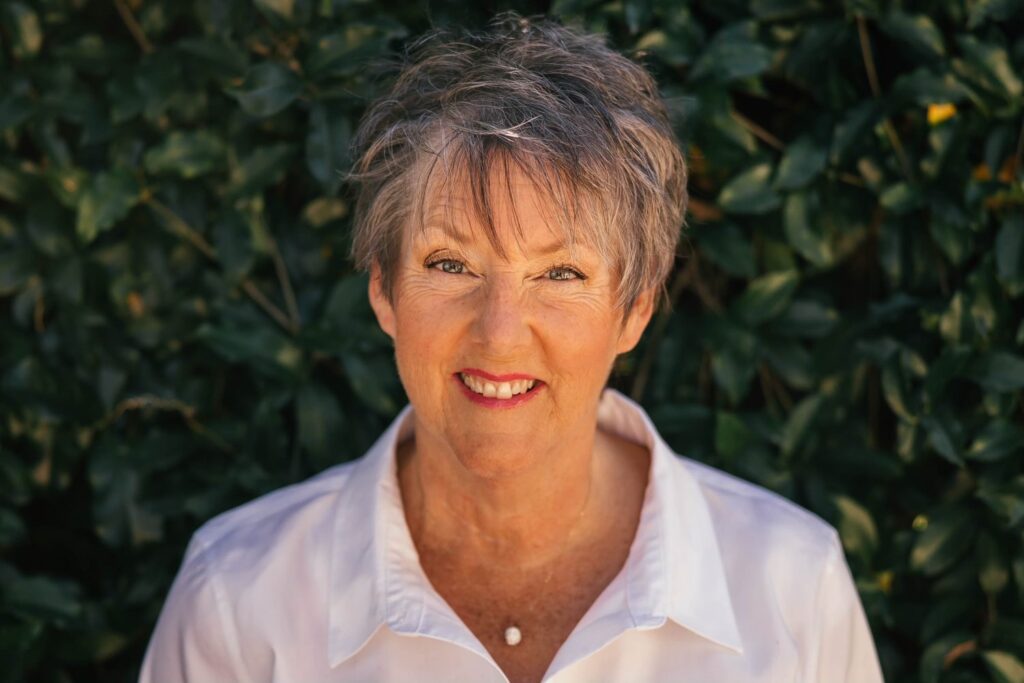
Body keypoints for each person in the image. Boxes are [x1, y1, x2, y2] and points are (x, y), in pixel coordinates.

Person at [140, 14, 885, 683]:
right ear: (383, 290)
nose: (499, 330)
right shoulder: (236, 602)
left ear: (634, 309)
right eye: (450, 264)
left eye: (560, 273)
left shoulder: (794, 588)